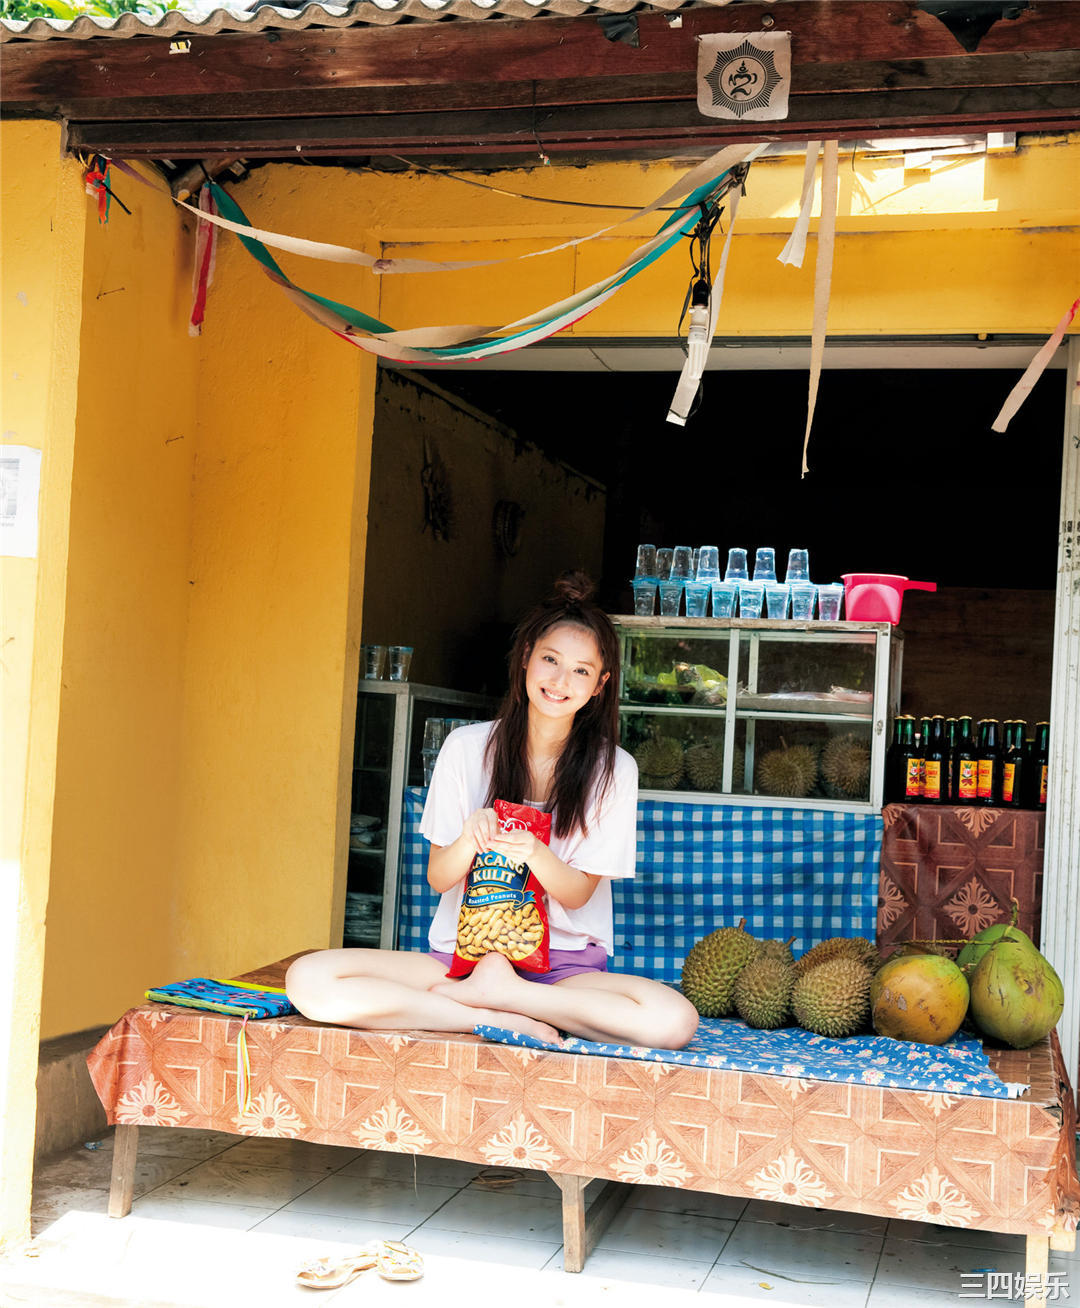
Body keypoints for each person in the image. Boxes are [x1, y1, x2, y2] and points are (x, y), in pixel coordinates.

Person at [286, 573, 698, 1051]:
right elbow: (440, 878)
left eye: (581, 671)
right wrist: (466, 840)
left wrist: (535, 854)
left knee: (673, 1021)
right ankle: (474, 1016)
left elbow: (578, 894)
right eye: (550, 660)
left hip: (561, 970)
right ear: (526, 658)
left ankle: (513, 999)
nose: (560, 681)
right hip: (461, 963)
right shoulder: (465, 749)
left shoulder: (614, 769)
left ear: (601, 685)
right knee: (309, 979)